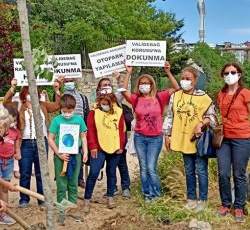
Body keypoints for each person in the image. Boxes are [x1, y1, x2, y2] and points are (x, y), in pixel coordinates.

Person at [122, 61, 179, 202]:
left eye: (147, 82)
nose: (144, 85)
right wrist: (128, 72)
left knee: (151, 167)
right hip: (140, 137)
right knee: (143, 168)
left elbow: (176, 88)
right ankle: (147, 194)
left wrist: (168, 72)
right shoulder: (136, 99)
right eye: (141, 83)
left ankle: (156, 194)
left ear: (152, 84)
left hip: (155, 138)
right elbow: (123, 91)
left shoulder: (160, 97)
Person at [163, 66, 216, 211]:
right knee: (189, 171)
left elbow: (212, 117)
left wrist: (201, 123)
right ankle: (191, 198)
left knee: (201, 171)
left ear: (195, 80)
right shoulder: (176, 96)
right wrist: (167, 135)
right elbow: (170, 116)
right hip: (183, 139)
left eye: (188, 79)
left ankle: (203, 201)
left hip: (198, 141)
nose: (185, 81)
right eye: (183, 78)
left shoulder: (203, 97)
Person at [3, 79, 61, 208]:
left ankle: (42, 198)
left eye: (34, 91)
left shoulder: (43, 105)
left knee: (42, 172)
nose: (31, 94)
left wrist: (57, 90)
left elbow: (58, 105)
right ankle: (24, 199)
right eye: (28, 91)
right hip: (25, 143)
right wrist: (12, 87)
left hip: (41, 142)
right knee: (25, 172)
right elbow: (5, 103)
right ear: (24, 93)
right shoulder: (19, 105)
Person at [215, 62, 250, 222]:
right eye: (226, 73)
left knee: (239, 174)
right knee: (223, 173)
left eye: (233, 72)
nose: (229, 75)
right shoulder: (221, 94)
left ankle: (239, 207)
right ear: (222, 76)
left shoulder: (245, 93)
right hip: (224, 138)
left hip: (242, 138)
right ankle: (226, 204)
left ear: (239, 74)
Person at [48, 94, 88, 225]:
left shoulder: (79, 120)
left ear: (74, 109)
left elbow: (83, 137)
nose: (67, 114)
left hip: (75, 156)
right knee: (61, 184)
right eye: (64, 111)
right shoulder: (57, 121)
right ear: (60, 109)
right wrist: (59, 153)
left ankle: (72, 210)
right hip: (61, 157)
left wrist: (85, 152)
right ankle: (62, 211)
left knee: (73, 183)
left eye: (69, 112)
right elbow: (50, 138)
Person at [82, 91, 126, 213]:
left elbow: (122, 130)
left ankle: (110, 196)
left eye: (107, 103)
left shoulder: (118, 112)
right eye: (103, 103)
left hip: (115, 147)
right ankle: (87, 199)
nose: (105, 105)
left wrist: (121, 145)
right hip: (99, 148)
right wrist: (93, 147)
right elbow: (90, 131)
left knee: (111, 172)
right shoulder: (93, 113)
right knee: (94, 172)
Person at [53, 76, 90, 188]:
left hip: (78, 130)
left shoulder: (82, 97)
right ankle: (62, 175)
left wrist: (84, 129)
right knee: (64, 154)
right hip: (64, 132)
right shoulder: (62, 96)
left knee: (77, 154)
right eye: (67, 81)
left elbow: (86, 112)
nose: (69, 83)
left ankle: (78, 178)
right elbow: (55, 104)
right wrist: (56, 90)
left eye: (71, 81)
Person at [0, 106, 21, 225]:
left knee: (5, 188)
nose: (13, 123)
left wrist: (17, 153)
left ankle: (3, 215)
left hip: (9, 162)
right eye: (11, 120)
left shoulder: (16, 133)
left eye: (14, 120)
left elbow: (17, 147)